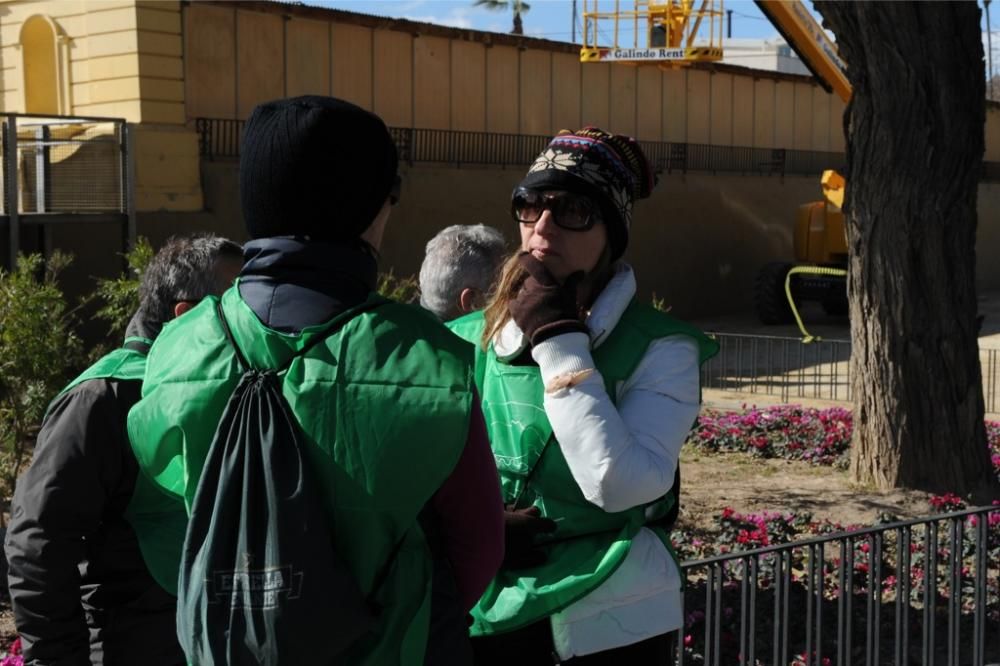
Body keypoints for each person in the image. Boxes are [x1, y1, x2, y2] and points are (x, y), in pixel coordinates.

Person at [126, 96, 504, 665]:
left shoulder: (175, 349)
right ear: (370, 208)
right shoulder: (433, 359)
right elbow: (477, 549)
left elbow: (163, 527)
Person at [448, 127, 719, 664]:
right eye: (529, 205)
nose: (543, 226)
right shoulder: (461, 339)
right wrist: (473, 527)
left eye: (572, 209)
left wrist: (559, 342)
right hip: (482, 607)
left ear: (611, 235)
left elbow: (619, 484)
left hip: (613, 621)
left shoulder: (661, 348)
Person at [5, 233, 244, 666]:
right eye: (235, 309)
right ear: (186, 317)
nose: (250, 322)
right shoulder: (103, 398)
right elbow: (36, 541)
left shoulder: (226, 389)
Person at [419, 224, 506, 321]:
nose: (513, 296)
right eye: (502, 289)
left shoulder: (405, 329)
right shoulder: (502, 334)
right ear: (470, 300)